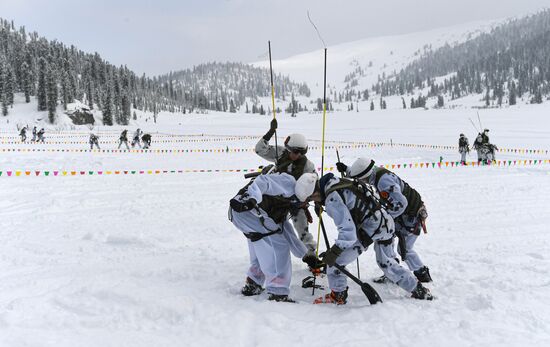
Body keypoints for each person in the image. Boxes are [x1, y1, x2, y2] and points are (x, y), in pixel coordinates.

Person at [309, 173, 433, 304]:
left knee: (335, 263)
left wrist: (334, 252)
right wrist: (321, 202)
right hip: (385, 221)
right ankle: (418, 289)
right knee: (387, 263)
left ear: (314, 193)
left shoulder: (332, 199)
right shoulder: (337, 182)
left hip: (372, 229)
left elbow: (348, 232)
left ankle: (338, 295)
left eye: (311, 199)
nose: (313, 202)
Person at [229, 172, 322, 303]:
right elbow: (263, 181)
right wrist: (253, 198)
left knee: (263, 246)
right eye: (307, 201)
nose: (306, 205)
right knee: (278, 247)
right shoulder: (287, 184)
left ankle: (253, 283)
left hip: (248, 214)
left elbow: (284, 227)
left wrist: (306, 255)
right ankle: (278, 292)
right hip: (245, 209)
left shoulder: (288, 199)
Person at [337, 158, 432, 284]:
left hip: (411, 216)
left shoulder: (384, 182)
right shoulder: (375, 172)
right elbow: (361, 172)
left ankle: (423, 275)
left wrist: (386, 218)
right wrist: (347, 169)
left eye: (361, 179)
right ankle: (393, 273)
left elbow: (402, 203)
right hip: (400, 215)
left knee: (405, 249)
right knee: (386, 242)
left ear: (365, 176)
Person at [255, 118, 317, 253]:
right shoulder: (280, 153)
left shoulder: (308, 166)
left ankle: (312, 256)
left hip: (296, 203)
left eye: (302, 152)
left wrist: (313, 202)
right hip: (275, 200)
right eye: (295, 151)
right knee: (270, 227)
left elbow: (313, 185)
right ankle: (270, 253)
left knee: (303, 232)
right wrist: (270, 132)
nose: (298, 155)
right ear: (289, 149)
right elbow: (260, 150)